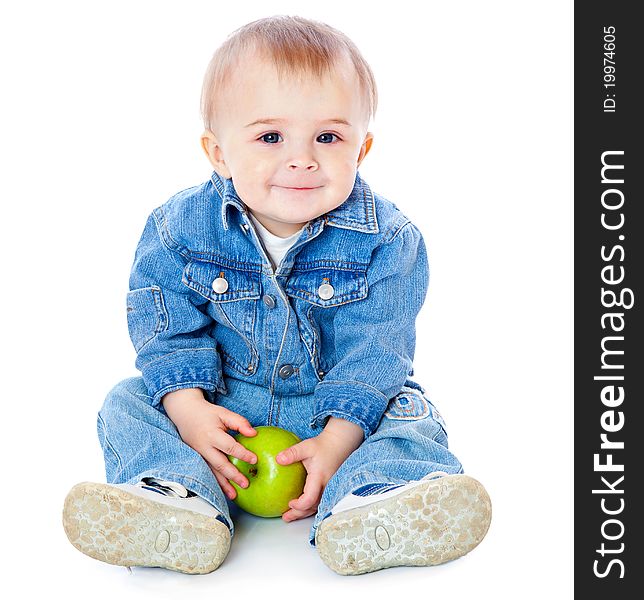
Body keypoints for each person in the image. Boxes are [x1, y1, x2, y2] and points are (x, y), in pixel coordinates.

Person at [62, 14, 491, 576]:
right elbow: (166, 330)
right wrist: (190, 410)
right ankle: (177, 496)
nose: (303, 158)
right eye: (270, 137)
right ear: (218, 153)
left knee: (410, 415)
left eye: (328, 137)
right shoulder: (179, 227)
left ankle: (372, 498)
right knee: (130, 400)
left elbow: (378, 352)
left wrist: (340, 440)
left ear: (361, 149)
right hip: (223, 410)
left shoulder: (390, 240)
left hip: (338, 409)